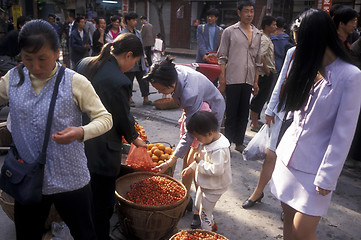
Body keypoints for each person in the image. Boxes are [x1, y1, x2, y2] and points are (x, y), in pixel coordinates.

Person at [0, 19, 112, 240]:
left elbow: (105, 118)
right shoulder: (12, 80)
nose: (35, 66)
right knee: (26, 233)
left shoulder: (75, 82)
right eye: (27, 58)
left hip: (71, 178)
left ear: (57, 53)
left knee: (84, 234)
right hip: (29, 178)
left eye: (43, 58)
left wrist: (80, 132)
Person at [269, 9, 361, 239]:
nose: (298, 50)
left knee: (303, 233)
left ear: (316, 40)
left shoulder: (350, 75)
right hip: (287, 160)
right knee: (288, 223)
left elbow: (344, 133)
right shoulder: (308, 69)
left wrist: (328, 176)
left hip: (316, 169)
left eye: (302, 44)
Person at [76, 33, 147, 240]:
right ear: (128, 55)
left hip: (79, 139)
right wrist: (134, 137)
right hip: (102, 149)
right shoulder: (118, 80)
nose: (132, 66)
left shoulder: (85, 63)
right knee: (102, 201)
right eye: (134, 61)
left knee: (85, 196)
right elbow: (121, 116)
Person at [144, 55, 225, 229]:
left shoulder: (190, 93)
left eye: (160, 89)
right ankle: (185, 199)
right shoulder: (173, 72)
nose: (159, 93)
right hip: (193, 113)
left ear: (171, 84)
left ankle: (200, 211)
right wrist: (175, 158)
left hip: (206, 116)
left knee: (196, 166)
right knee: (186, 162)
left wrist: (170, 160)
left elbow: (190, 134)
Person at [217, 0, 262, 152]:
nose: (249, 14)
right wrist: (222, 80)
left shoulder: (257, 33)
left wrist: (255, 82)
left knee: (244, 112)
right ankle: (227, 142)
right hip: (232, 78)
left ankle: (239, 142)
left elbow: (257, 61)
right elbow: (222, 57)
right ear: (239, 13)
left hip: (248, 79)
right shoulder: (229, 31)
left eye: (252, 11)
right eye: (246, 11)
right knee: (231, 112)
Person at [182, 111, 231, 232]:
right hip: (205, 185)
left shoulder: (219, 150)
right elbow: (201, 158)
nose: (197, 140)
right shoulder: (207, 141)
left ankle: (207, 232)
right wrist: (191, 167)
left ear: (209, 133)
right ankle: (212, 224)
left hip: (214, 188)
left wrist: (200, 163)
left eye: (198, 137)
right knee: (198, 206)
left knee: (204, 215)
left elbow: (216, 170)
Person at [249, 15, 277, 132]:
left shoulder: (263, 36)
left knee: (260, 98)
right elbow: (261, 56)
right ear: (267, 26)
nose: (275, 27)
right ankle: (254, 123)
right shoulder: (264, 39)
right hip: (263, 74)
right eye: (273, 24)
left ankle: (255, 121)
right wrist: (267, 70)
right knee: (259, 99)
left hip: (263, 73)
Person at [120, 12, 151, 106]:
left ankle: (146, 99)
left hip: (140, 60)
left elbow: (141, 46)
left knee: (144, 79)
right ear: (128, 21)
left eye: (136, 20)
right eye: (133, 20)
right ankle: (129, 99)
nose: (135, 22)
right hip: (129, 61)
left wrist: (145, 58)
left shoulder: (138, 32)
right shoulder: (123, 34)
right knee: (129, 80)